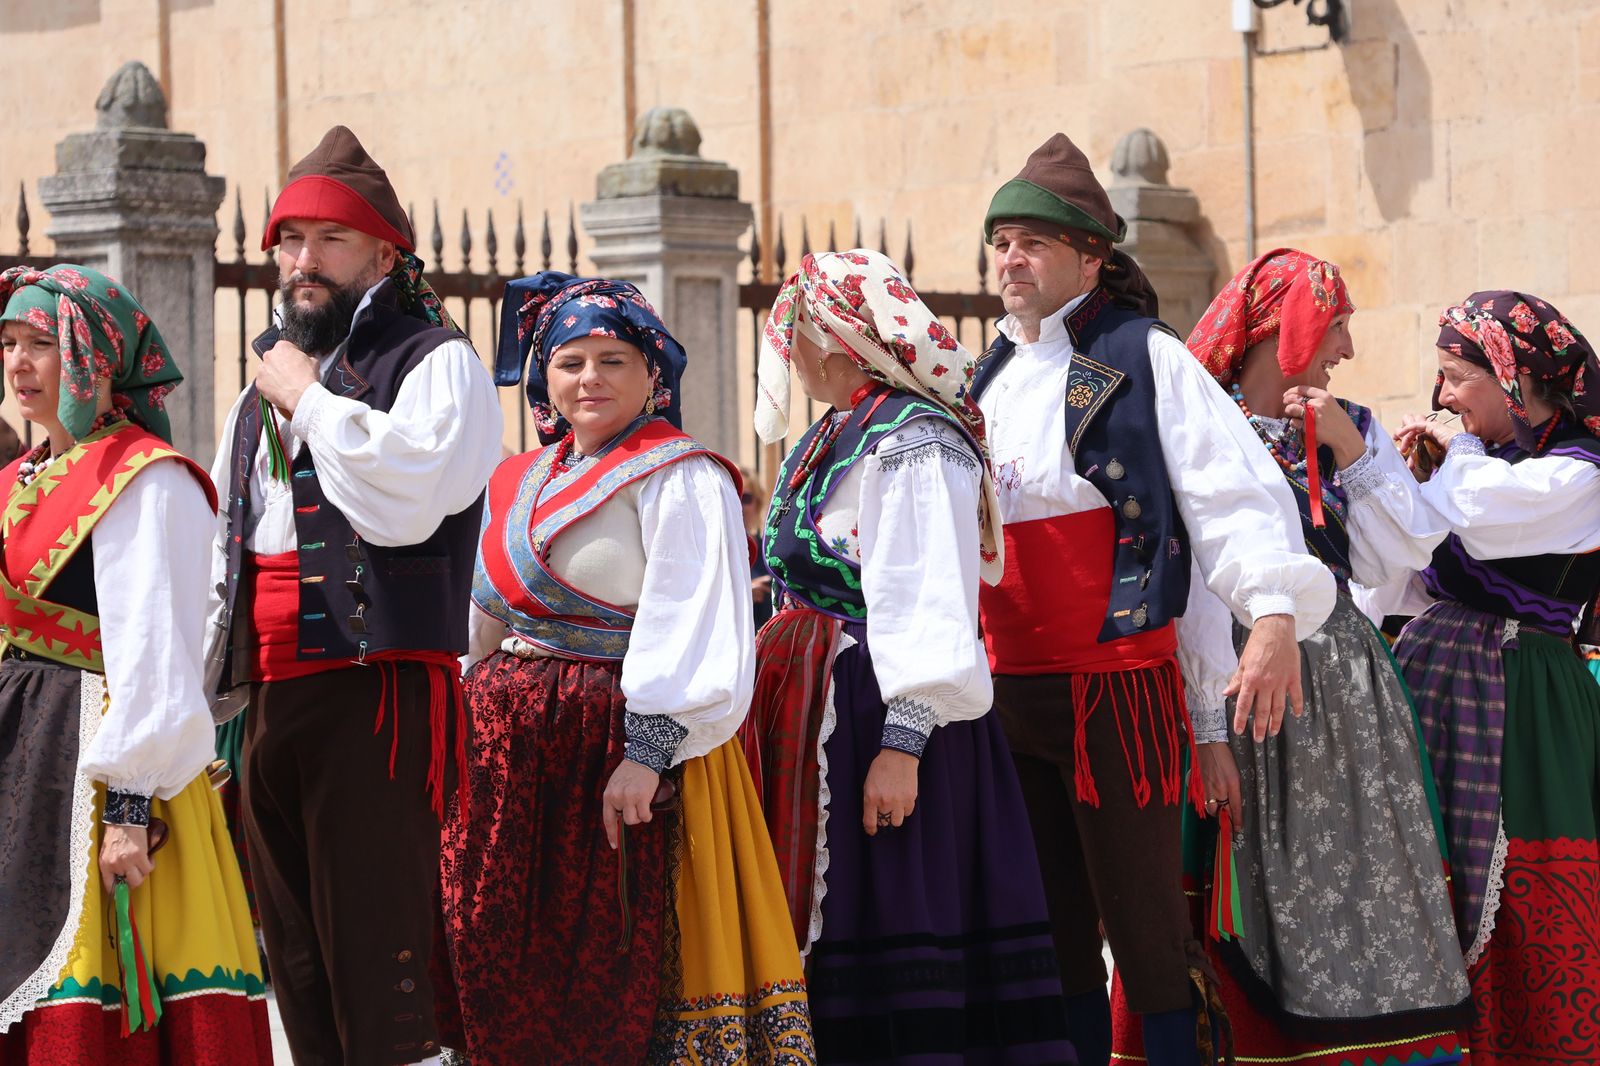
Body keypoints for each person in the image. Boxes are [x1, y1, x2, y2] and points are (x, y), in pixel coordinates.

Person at [971, 134, 1336, 1065]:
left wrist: (1275, 615)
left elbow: (1230, 495)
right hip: (1005, 692)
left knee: (1143, 933)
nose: (1012, 259)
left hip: (1113, 689)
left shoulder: (1145, 355)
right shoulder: (988, 374)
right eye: (1001, 241)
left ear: (1091, 257)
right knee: (1044, 933)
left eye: (1034, 243)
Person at [443, 272, 814, 1065]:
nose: (590, 379)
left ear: (653, 375)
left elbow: (692, 617)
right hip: (508, 755)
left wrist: (645, 757)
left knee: (613, 949)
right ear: (544, 375)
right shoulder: (519, 479)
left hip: (614, 749)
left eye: (613, 360)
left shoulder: (679, 475)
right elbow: (483, 624)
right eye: (571, 360)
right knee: (496, 941)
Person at [1110, 250, 1470, 1066]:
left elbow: (1400, 557)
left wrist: (1350, 444)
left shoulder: (1347, 428)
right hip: (1233, 676)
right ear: (1284, 328)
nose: (1344, 347)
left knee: (1351, 882)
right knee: (1231, 880)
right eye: (1336, 323)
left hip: (1341, 693)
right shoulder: (1201, 429)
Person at [204, 126, 503, 1065]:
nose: (302, 260)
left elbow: (407, 500)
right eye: (289, 241)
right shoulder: (263, 390)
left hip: (375, 696)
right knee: (297, 973)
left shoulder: (435, 360)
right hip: (272, 703)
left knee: (386, 980)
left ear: (384, 252)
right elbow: (226, 556)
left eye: (327, 240)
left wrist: (308, 396)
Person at [747, 249, 1076, 1063]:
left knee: (898, 918)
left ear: (837, 343)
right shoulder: (837, 433)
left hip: (886, 717)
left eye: (797, 336)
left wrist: (902, 747)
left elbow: (933, 601)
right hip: (821, 714)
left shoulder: (916, 441)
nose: (788, 354)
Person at [0, 265, 270, 1062]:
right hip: (21, 753)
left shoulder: (146, 477)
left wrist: (126, 811)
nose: (19, 363)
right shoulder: (17, 478)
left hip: (100, 763)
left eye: (42, 344)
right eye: (9, 342)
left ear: (95, 356)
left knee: (96, 966)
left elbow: (158, 648)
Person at [1388, 291, 1600, 1065]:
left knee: (1525, 891)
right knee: (1427, 879)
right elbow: (1402, 582)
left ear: (1511, 376)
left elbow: (1473, 514)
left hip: (1526, 697)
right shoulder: (1485, 466)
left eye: (1454, 377)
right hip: (1436, 683)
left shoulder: (1582, 473)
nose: (1442, 399)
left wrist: (1450, 466)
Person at [737, 463, 776, 628]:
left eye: (745, 498)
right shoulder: (710, 552)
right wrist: (744, 593)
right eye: (734, 495)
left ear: (757, 504)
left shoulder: (768, 550)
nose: (739, 504)